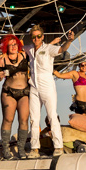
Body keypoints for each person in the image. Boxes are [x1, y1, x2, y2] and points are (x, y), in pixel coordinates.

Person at [25, 25, 74, 157]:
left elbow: (62, 49)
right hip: (34, 86)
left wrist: (69, 41)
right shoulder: (29, 49)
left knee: (52, 115)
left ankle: (58, 146)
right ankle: (34, 148)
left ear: (42, 37)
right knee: (34, 119)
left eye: (38, 36)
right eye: (34, 37)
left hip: (47, 85)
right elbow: (18, 48)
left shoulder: (48, 48)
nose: (36, 39)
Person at [0, 34, 30, 159]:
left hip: (24, 92)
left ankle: (21, 149)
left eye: (15, 44)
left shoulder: (24, 55)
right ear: (6, 47)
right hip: (9, 92)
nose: (13, 47)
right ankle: (5, 149)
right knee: (8, 119)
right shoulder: (2, 60)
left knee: (24, 120)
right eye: (10, 45)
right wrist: (1, 75)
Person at [56, 58, 86, 139]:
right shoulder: (75, 74)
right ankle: (79, 139)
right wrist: (52, 68)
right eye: (82, 64)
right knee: (81, 124)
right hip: (81, 102)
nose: (84, 66)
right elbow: (59, 75)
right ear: (79, 65)